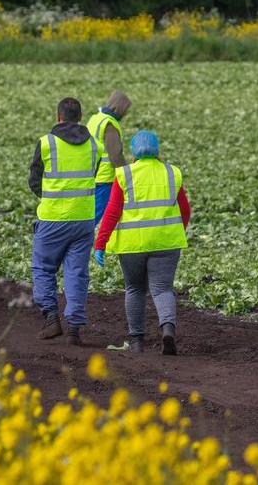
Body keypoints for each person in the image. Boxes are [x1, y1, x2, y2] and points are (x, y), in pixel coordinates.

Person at [94, 130, 190, 354]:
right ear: (157, 151)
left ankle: (136, 342)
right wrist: (176, 231)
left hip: (132, 246)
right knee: (162, 289)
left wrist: (100, 244)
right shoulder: (171, 173)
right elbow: (185, 209)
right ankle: (167, 330)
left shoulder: (124, 174)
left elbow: (112, 212)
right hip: (166, 243)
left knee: (135, 289)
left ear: (134, 152)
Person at [29, 97, 99, 346]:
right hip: (83, 219)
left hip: (53, 218)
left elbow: (34, 180)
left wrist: (49, 197)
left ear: (58, 117)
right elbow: (94, 172)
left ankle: (51, 320)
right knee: (77, 273)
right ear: (80, 117)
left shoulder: (46, 143)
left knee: (43, 268)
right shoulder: (93, 144)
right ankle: (74, 329)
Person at [85, 90, 131, 225]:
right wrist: (128, 176)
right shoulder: (109, 124)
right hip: (105, 179)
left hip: (92, 175)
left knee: (89, 215)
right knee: (94, 219)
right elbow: (115, 155)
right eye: (125, 110)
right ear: (118, 108)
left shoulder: (95, 118)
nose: (125, 114)